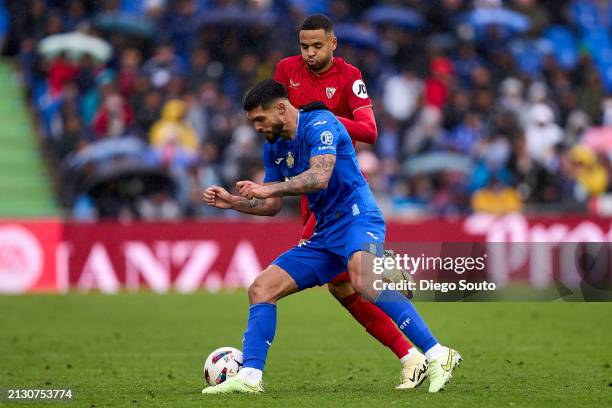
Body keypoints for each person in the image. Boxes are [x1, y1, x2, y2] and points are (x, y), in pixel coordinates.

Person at [202, 79, 461, 395]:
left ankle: (437, 354)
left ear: (281, 108)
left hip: (357, 216)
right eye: (252, 122)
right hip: (324, 232)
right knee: (261, 288)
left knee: (363, 280)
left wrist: (268, 187)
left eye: (260, 119)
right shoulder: (273, 146)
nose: (257, 127)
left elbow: (319, 177)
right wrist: (233, 202)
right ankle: (251, 376)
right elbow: (270, 205)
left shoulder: (321, 124)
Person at [273, 14, 427, 388]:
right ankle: (411, 356)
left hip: (339, 184)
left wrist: (323, 118)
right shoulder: (285, 71)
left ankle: (419, 351)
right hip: (308, 188)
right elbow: (276, 119)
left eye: (317, 46)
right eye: (304, 47)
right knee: (342, 287)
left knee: (348, 283)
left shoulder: (349, 77)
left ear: (333, 43)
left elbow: (369, 130)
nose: (309, 54)